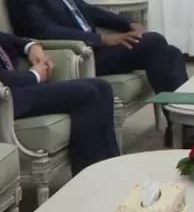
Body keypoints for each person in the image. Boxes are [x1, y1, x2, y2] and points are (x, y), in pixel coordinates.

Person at [5, 0, 192, 147]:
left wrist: (127, 24)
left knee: (169, 52)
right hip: (79, 55)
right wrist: (101, 40)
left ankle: (183, 125)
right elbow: (43, 31)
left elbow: (88, 11)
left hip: (95, 48)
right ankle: (185, 126)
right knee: (154, 42)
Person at [0, 31, 119, 173]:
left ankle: (110, 171)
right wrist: (34, 75)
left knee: (102, 87)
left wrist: (32, 46)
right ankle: (89, 177)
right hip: (8, 99)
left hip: (19, 90)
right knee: (88, 93)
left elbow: (10, 40)